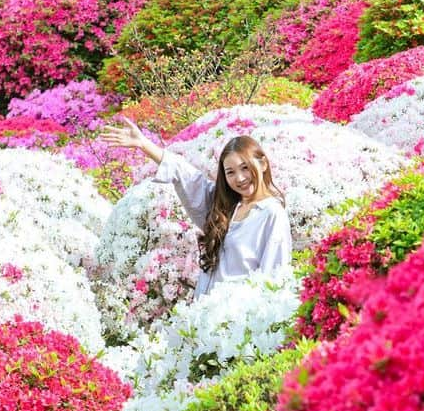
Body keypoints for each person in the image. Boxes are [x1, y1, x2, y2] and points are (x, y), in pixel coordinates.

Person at [101, 116, 292, 298]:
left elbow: (274, 275)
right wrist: (144, 144)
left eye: (245, 167)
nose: (240, 178)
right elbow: (188, 176)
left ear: (263, 164)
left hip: (239, 320)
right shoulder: (227, 207)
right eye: (230, 172)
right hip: (206, 317)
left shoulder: (271, 214)